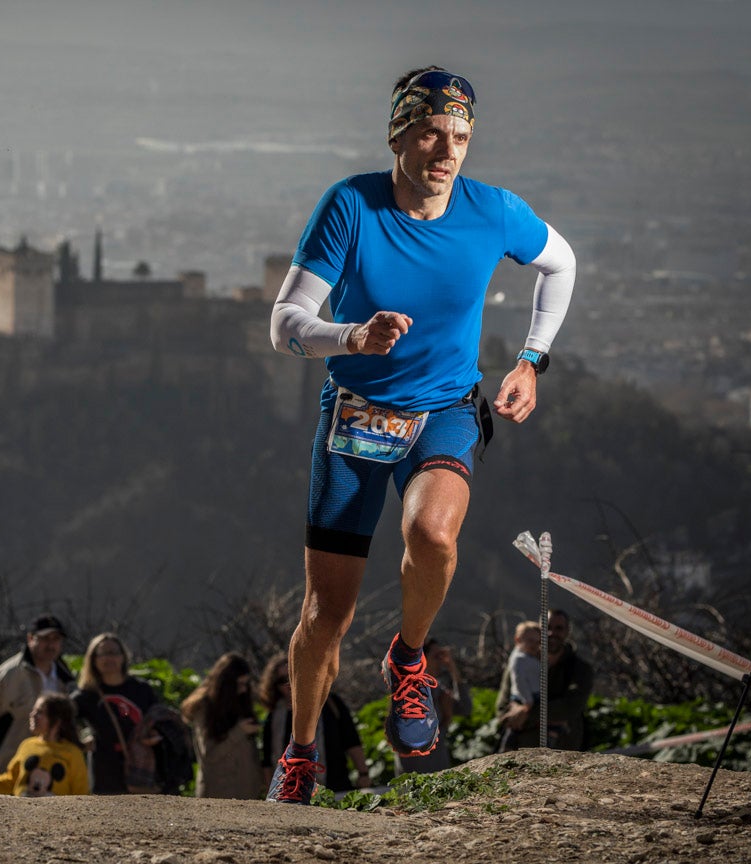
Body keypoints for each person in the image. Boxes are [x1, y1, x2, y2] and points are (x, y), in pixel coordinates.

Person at [266, 65, 577, 803]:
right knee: (324, 616)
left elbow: (560, 264)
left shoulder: (492, 211)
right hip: (356, 417)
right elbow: (285, 324)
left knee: (433, 536)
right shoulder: (352, 205)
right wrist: (350, 336)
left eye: (461, 136)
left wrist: (531, 360)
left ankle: (410, 663)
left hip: (445, 408)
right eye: (432, 132)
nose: (447, 150)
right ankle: (302, 751)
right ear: (399, 134)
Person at [0, 614, 76, 777]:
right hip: (7, 771)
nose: (51, 645)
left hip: (51, 775)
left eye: (56, 639)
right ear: (30, 638)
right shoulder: (3, 677)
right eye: (44, 638)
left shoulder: (66, 679)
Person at [258, 653, 370, 792]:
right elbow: (268, 759)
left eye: (293, 676)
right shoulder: (274, 716)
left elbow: (351, 740)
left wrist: (363, 773)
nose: (289, 683)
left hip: (335, 787)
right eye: (282, 680)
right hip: (289, 793)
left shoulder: (330, 703)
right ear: (274, 686)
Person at [71, 632, 161, 794]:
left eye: (113, 653)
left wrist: (154, 736)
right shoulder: (86, 696)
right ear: (93, 659)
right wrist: (81, 738)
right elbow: (63, 719)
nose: (108, 658)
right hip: (104, 771)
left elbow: (159, 721)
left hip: (140, 768)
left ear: (123, 657)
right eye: (102, 654)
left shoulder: (142, 690)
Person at [496, 609, 595, 751]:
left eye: (558, 628)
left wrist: (525, 712)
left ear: (567, 632)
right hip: (519, 749)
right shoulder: (519, 664)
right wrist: (547, 713)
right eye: (546, 627)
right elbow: (502, 708)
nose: (552, 633)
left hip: (565, 751)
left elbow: (571, 707)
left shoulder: (580, 669)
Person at [180, 652, 263, 799]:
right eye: (240, 684)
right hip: (218, 795)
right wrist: (239, 731)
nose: (244, 689)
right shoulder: (204, 708)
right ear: (227, 684)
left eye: (246, 684)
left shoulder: (241, 703)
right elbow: (209, 755)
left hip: (248, 795)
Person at [0, 692, 90, 796]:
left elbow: (81, 794)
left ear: (57, 720)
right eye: (34, 710)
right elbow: (11, 780)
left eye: (40, 712)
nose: (32, 715)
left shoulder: (73, 753)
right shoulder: (27, 745)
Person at [396, 638, 474, 774]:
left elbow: (465, 708)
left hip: (437, 766)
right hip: (417, 771)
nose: (441, 661)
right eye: (436, 656)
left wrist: (453, 670)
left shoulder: (438, 690)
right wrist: (447, 719)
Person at [507, 621, 543, 708]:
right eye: (530, 641)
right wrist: (528, 700)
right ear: (518, 640)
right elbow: (519, 681)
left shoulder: (528, 655)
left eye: (538, 642)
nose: (534, 645)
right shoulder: (519, 659)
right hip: (526, 697)